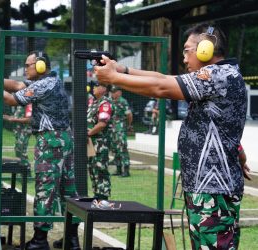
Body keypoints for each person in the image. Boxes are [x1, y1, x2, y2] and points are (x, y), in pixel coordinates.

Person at [95, 23, 247, 249]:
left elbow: (161, 87)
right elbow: (161, 77)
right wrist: (121, 70)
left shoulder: (217, 75)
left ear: (205, 48)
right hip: (208, 187)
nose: (185, 58)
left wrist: (114, 79)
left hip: (211, 190)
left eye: (188, 50)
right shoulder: (221, 75)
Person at [0, 51, 80, 250]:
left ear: (40, 66)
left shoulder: (42, 86)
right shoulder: (52, 80)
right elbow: (16, 85)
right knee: (68, 190)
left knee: (44, 189)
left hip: (50, 141)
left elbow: (10, 99)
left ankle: (40, 240)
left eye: (28, 65)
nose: (25, 68)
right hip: (64, 138)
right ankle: (72, 240)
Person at [87, 81, 112, 200]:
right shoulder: (94, 102)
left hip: (100, 142)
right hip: (91, 142)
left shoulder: (105, 103)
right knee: (92, 168)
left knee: (100, 168)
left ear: (104, 89)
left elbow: (102, 124)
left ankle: (103, 195)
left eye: (97, 86)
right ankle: (96, 194)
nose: (94, 88)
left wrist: (88, 133)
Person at [3, 104, 33, 177]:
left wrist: (13, 119)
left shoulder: (28, 103)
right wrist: (10, 118)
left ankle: (26, 173)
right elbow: (19, 117)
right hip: (19, 131)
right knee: (18, 150)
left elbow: (29, 119)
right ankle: (22, 171)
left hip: (24, 130)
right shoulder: (21, 103)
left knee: (22, 151)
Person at [109, 86, 133, 177]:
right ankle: (118, 169)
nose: (113, 93)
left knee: (122, 148)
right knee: (115, 149)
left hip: (120, 128)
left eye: (114, 92)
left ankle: (126, 170)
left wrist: (128, 125)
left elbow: (129, 115)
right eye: (112, 92)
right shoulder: (112, 101)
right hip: (113, 128)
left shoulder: (123, 101)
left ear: (119, 92)